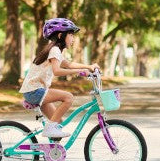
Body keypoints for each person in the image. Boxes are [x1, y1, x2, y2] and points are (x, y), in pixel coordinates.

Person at [19, 18, 100, 146]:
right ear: (61, 35)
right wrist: (78, 72)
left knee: (57, 122)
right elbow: (57, 71)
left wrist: (88, 67)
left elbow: (68, 64)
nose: (73, 38)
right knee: (68, 97)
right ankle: (49, 129)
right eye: (71, 35)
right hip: (34, 91)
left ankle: (55, 157)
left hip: (35, 91)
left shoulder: (56, 50)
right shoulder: (54, 50)